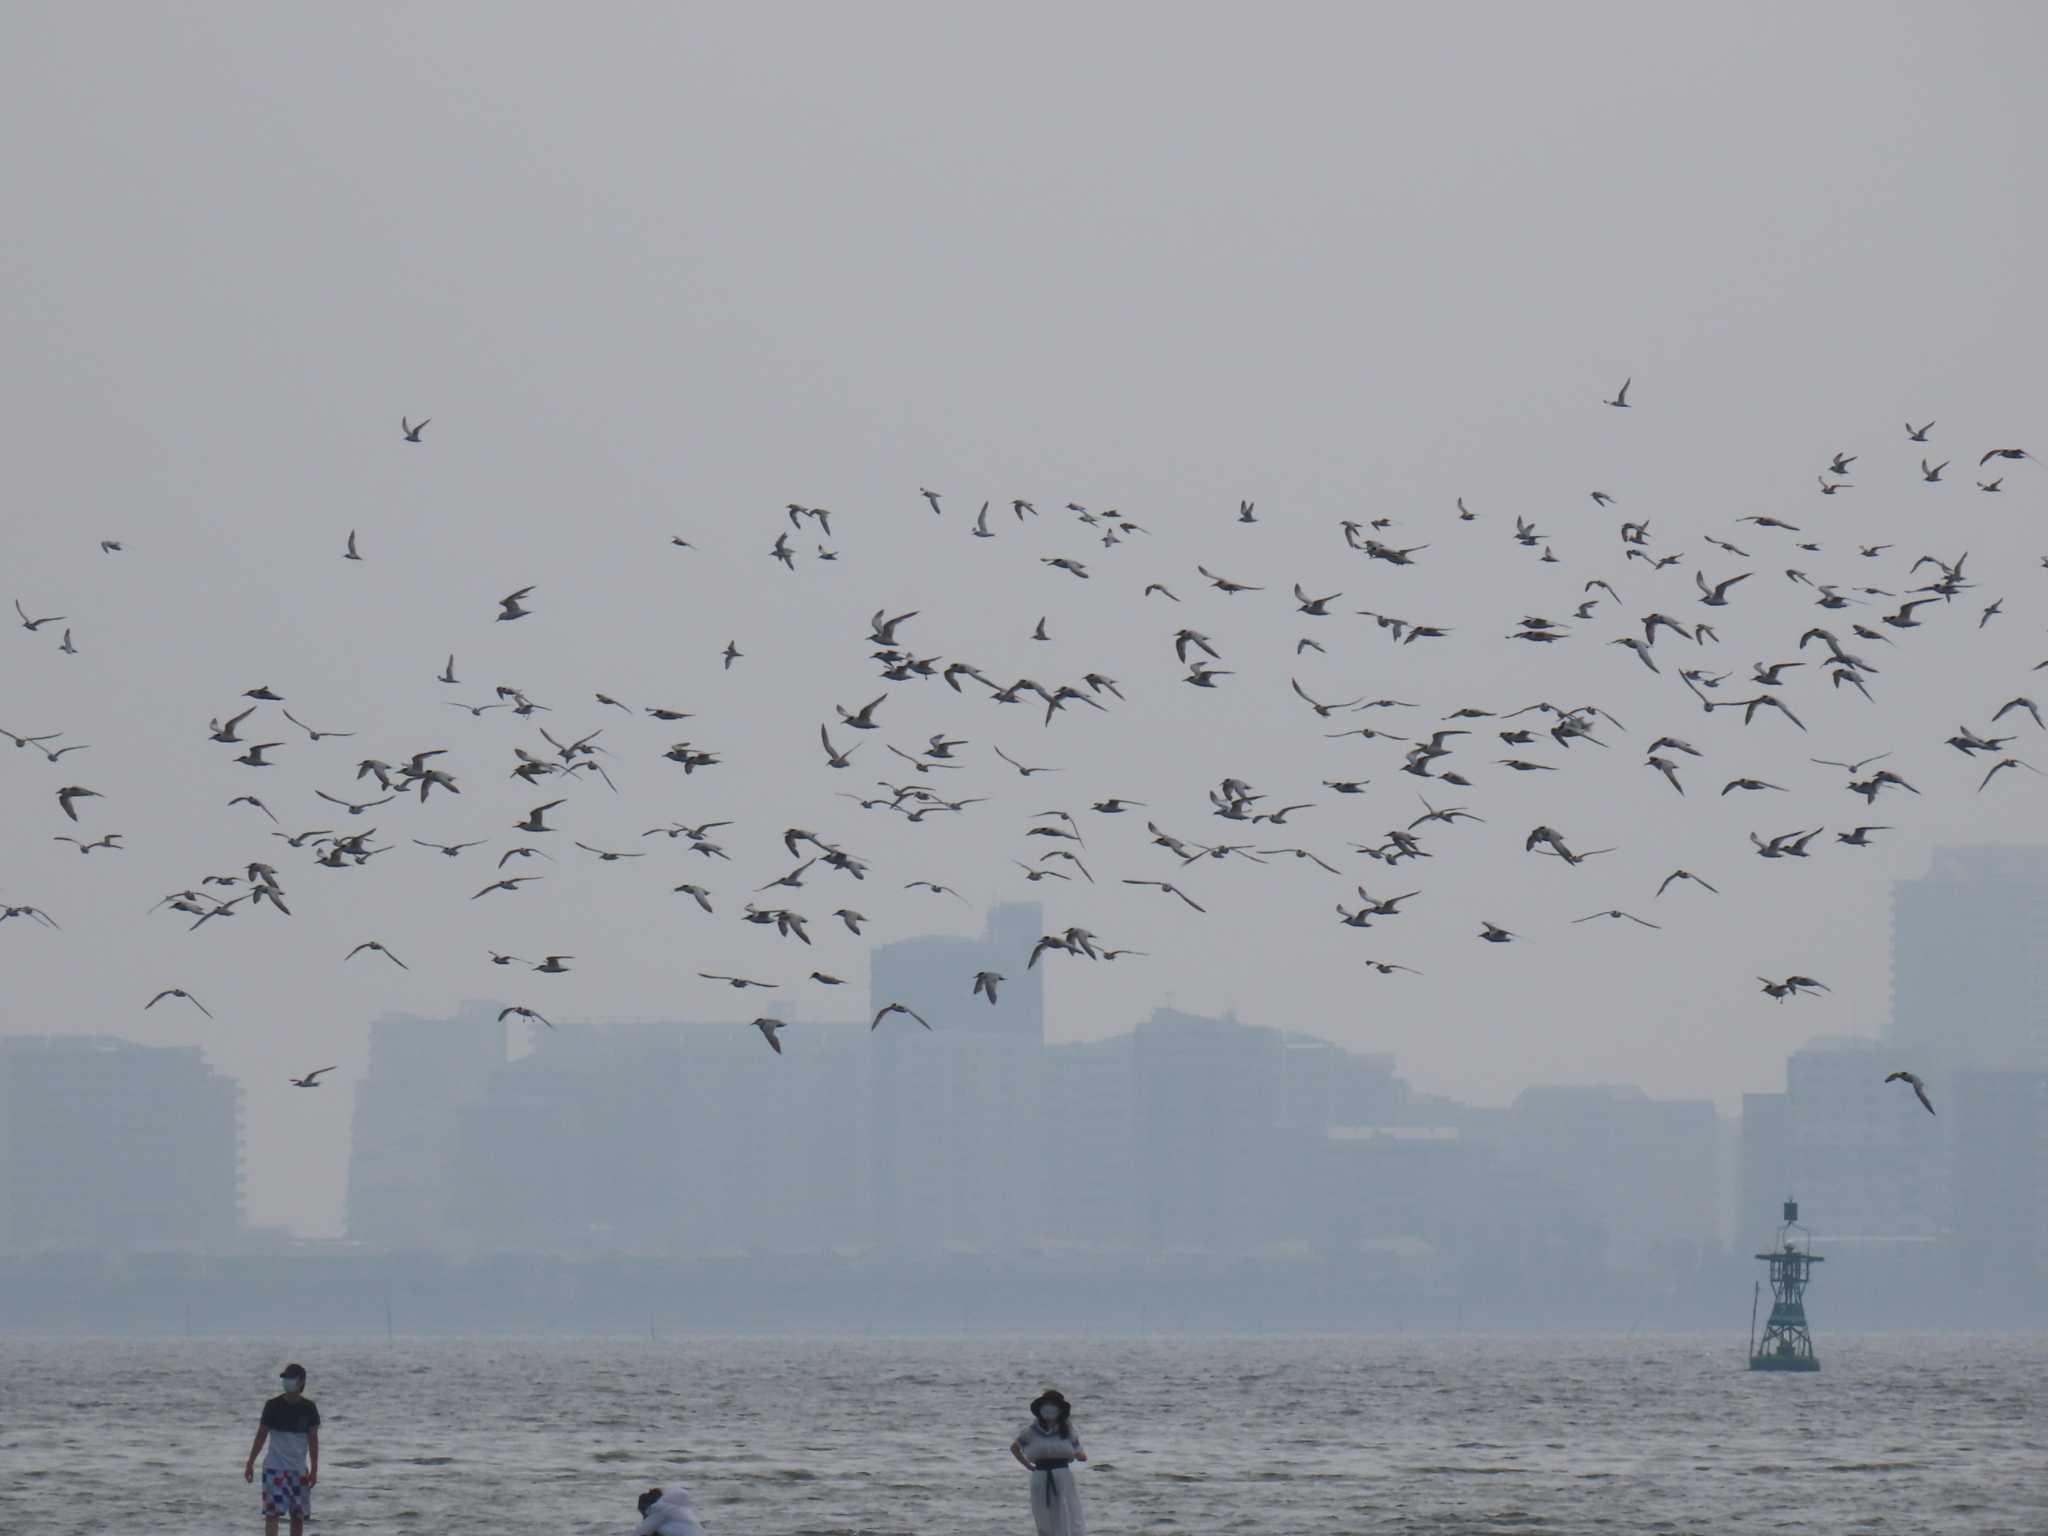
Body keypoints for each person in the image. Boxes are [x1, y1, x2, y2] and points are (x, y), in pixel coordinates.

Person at [243, 1363, 320, 1536]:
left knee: (298, 1517)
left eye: (291, 1378)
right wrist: (250, 1463)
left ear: (301, 1382)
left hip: (299, 1471)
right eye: (285, 1378)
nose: (287, 1382)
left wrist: (314, 1469)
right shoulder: (272, 1405)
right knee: (271, 1515)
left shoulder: (309, 1408)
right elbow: (261, 1435)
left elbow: (313, 1440)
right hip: (273, 1470)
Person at [1009, 1387, 1088, 1536]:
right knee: (1043, 1513)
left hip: (1062, 1475)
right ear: (1040, 1408)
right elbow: (1014, 1448)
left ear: (1060, 1410)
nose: (1049, 1409)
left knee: (1067, 1511)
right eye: (1047, 1405)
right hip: (1040, 1475)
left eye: (1053, 1405)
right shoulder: (1031, 1431)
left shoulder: (1067, 1430)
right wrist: (1027, 1465)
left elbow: (1081, 1454)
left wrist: (1077, 1455)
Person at [632, 1484, 707, 1536]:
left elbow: (640, 1532)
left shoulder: (660, 1511)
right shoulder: (685, 1512)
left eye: (642, 1511)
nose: (643, 1516)